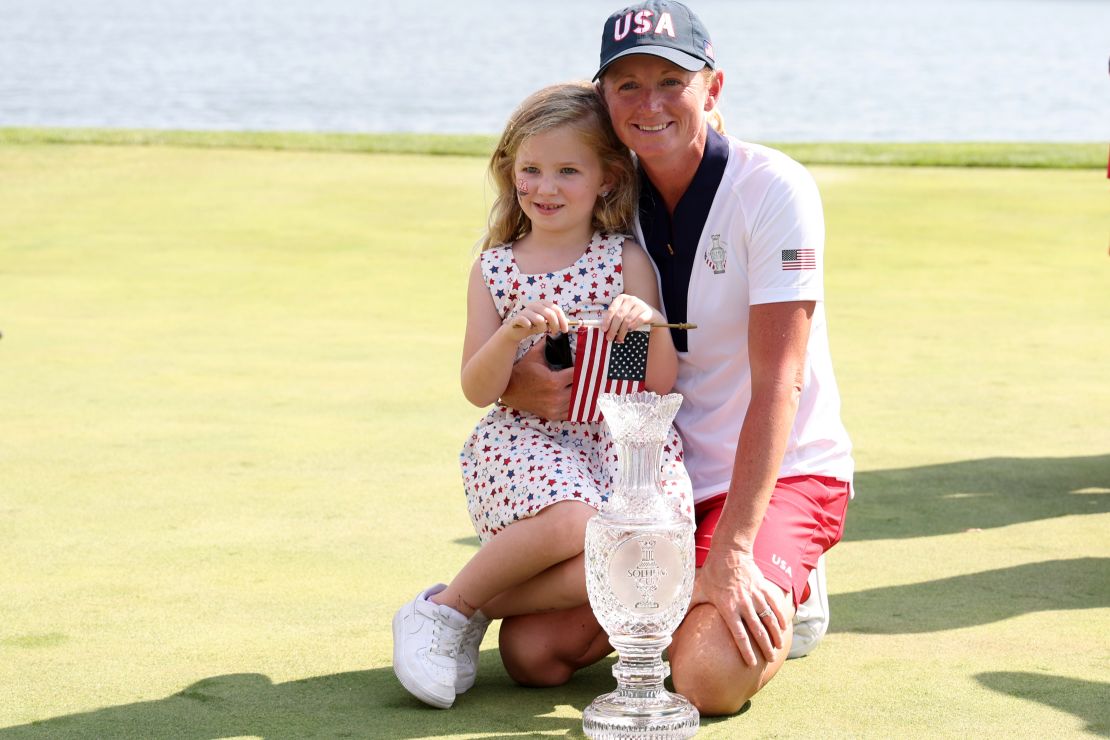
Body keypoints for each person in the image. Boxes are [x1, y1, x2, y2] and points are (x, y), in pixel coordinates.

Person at [495, 1, 854, 715]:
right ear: (603, 97)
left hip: (782, 474)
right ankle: (690, 595)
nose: (649, 102)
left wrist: (734, 552)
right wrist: (521, 387)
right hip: (661, 482)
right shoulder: (608, 195)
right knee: (531, 654)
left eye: (672, 80)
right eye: (627, 85)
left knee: (707, 677)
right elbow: (609, 350)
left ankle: (786, 588)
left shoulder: (772, 188)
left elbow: (779, 381)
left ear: (711, 89)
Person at [391, 81, 693, 709]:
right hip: (529, 446)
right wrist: (510, 336)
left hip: (614, 445)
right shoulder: (494, 268)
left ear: (606, 180)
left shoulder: (624, 261)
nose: (545, 187)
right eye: (530, 169)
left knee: (536, 661)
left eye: (567, 171)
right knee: (578, 522)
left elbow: (652, 385)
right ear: (510, 172)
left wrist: (642, 323)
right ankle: (447, 611)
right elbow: (477, 389)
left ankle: (475, 598)